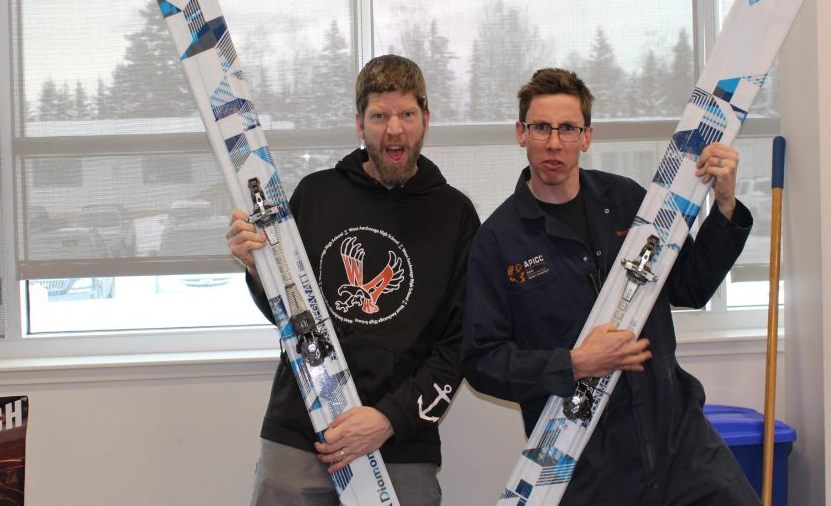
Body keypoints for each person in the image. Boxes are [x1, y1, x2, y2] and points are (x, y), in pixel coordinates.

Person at [462, 68, 760, 505]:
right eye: (541, 127)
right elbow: (483, 361)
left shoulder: (628, 202)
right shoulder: (498, 241)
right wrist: (575, 363)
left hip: (676, 433)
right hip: (585, 455)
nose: (554, 142)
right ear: (521, 133)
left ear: (586, 137)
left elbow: (692, 287)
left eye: (568, 128)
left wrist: (726, 203)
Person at [227, 54, 480, 506]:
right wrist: (255, 266)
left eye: (406, 114)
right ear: (359, 125)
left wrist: (387, 420)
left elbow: (458, 344)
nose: (394, 129)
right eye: (379, 116)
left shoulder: (456, 215)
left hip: (402, 440)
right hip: (302, 427)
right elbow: (288, 314)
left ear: (426, 119)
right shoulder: (316, 193)